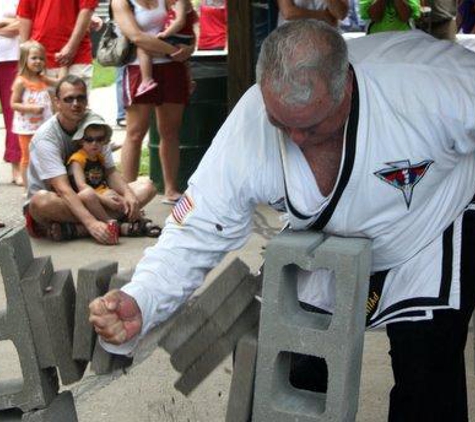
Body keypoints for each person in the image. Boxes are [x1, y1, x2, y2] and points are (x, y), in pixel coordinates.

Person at [90, 21, 475, 420]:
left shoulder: (430, 89)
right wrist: (144, 298)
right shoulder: (252, 121)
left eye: (311, 125)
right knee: (286, 366)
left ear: (345, 86)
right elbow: (197, 228)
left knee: (427, 365)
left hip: (429, 230)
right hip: (328, 241)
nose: (295, 139)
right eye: (281, 123)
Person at [26, 74, 158, 244]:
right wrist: (91, 223)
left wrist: (128, 194)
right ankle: (116, 224)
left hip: (95, 195)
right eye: (69, 99)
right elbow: (63, 189)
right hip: (58, 201)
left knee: (147, 187)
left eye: (80, 98)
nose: (76, 104)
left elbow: (110, 171)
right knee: (41, 201)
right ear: (57, 102)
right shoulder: (46, 137)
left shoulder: (94, 123)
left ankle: (75, 230)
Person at [111, 0, 194, 204]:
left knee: (170, 131)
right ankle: (129, 192)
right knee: (136, 132)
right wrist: (173, 51)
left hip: (172, 68)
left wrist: (188, 49)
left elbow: (186, 23)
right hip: (139, 68)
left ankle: (171, 189)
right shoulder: (121, 2)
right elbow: (136, 37)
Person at [67, 119, 161, 238]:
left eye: (99, 139)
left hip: (103, 192)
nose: (94, 143)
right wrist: (104, 199)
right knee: (88, 194)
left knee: (122, 198)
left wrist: (122, 197)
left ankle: (138, 219)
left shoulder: (99, 157)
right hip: (87, 196)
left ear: (104, 141)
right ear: (81, 141)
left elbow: (110, 176)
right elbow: (81, 186)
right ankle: (112, 223)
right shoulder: (77, 159)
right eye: (89, 139)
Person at [17, 0, 98, 88]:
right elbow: (25, 13)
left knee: (75, 100)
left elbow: (87, 8)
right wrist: (26, 55)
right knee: (41, 100)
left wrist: (72, 46)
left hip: (77, 56)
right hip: (40, 58)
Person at [11, 40, 55, 192]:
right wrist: (30, 108)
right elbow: (13, 104)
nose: (38, 61)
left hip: (43, 126)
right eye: (34, 58)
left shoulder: (42, 79)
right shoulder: (21, 82)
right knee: (27, 158)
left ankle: (45, 186)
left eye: (41, 58)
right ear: (25, 60)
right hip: (27, 127)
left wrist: (65, 68)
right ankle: (28, 189)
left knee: (45, 155)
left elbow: (58, 83)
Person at [135, 0, 197, 98]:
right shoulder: (179, 3)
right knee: (184, 60)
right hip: (183, 37)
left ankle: (146, 80)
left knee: (143, 49)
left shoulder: (180, 2)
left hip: (177, 37)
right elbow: (193, 19)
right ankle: (189, 81)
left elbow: (180, 22)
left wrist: (165, 33)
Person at [0, 0, 22, 186]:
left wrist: (15, 23)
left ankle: (17, 167)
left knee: (13, 114)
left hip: (12, 59)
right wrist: (7, 23)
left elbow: (22, 23)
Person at [276, 0, 349, 27]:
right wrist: (323, 16)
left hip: (326, 35)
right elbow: (288, 13)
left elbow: (341, 14)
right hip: (294, 35)